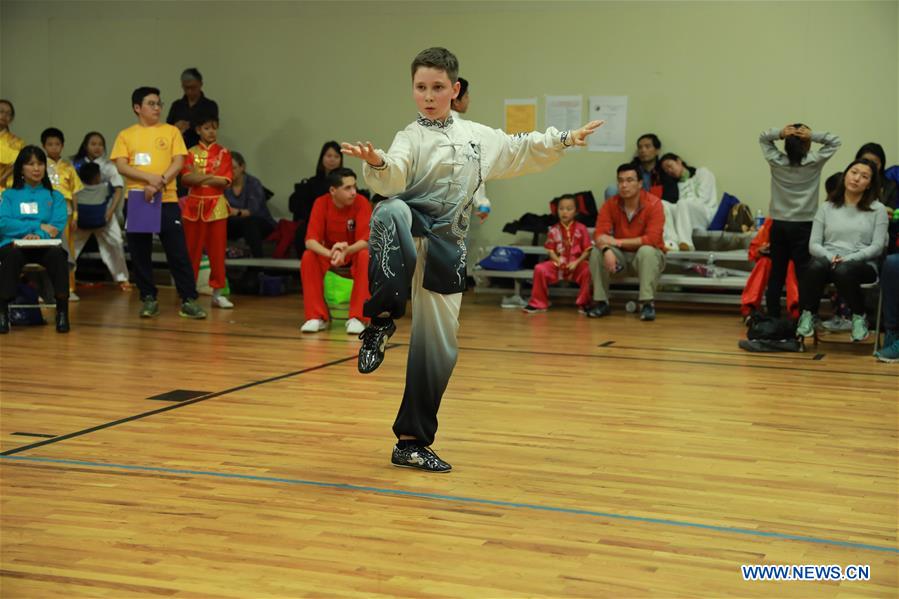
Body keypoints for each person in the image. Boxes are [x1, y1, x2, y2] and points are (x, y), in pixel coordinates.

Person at [341, 47, 602, 472]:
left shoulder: (478, 137)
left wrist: (566, 138)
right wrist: (377, 163)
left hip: (447, 249)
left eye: (437, 87)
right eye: (421, 88)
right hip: (410, 232)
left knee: (439, 349)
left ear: (454, 89)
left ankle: (410, 442)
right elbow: (395, 173)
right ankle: (381, 321)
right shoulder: (410, 135)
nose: (428, 96)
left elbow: (522, 147)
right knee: (389, 211)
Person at [111, 86, 206, 319]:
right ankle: (148, 298)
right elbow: (121, 165)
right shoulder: (126, 135)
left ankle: (188, 299)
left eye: (159, 104)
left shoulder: (171, 131)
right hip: (137, 198)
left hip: (167, 198)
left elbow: (179, 161)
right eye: (151, 103)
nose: (157, 108)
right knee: (140, 252)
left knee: (177, 251)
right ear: (137, 108)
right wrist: (148, 179)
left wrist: (159, 182)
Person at [795, 159, 888, 342]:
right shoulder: (827, 207)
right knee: (814, 266)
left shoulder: (878, 210)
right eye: (854, 172)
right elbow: (813, 245)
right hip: (829, 261)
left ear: (869, 184)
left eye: (864, 176)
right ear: (845, 174)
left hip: (862, 264)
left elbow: (877, 246)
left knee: (844, 270)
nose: (856, 178)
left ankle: (859, 316)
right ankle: (808, 314)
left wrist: (850, 258)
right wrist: (832, 257)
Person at [759, 122, 841, 318]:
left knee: (776, 274)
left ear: (785, 144)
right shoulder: (813, 161)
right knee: (804, 275)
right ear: (807, 144)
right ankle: (806, 318)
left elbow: (763, 137)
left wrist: (779, 132)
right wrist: (813, 135)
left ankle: (772, 318)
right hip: (805, 226)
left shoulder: (776, 160)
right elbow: (835, 141)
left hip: (778, 224)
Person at [0, 146, 70, 333]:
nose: (36, 168)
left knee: (58, 255)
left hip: (44, 245)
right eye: (31, 164)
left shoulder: (55, 196)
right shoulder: (9, 195)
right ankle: (3, 311)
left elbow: (57, 224)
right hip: (14, 244)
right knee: (11, 256)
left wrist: (39, 235)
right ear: (21, 168)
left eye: (40, 164)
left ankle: (62, 310)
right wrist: (35, 227)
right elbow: (3, 223)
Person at [588, 163, 666, 321]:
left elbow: (651, 239)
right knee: (597, 252)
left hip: (647, 258)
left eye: (629, 180)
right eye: (621, 181)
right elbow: (599, 235)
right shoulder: (611, 204)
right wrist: (606, 250)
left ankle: (647, 304)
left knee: (647, 250)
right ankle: (602, 303)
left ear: (640, 183)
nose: (624, 185)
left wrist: (616, 242)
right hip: (620, 259)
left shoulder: (654, 204)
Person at [300, 167, 370, 335]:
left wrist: (347, 250)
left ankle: (358, 317)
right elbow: (310, 241)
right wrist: (331, 253)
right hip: (330, 253)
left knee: (365, 256)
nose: (354, 192)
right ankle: (316, 317)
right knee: (308, 257)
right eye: (347, 188)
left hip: (353, 251)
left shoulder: (361, 202)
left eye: (354, 186)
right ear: (333, 190)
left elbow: (366, 241)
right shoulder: (321, 203)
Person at [180, 111, 234, 309]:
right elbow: (185, 178)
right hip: (194, 206)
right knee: (191, 251)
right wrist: (211, 177)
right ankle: (188, 292)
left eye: (214, 128)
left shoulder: (224, 153)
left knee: (217, 252)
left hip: (217, 207)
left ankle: (218, 293)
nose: (211, 132)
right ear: (198, 130)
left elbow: (225, 181)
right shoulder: (190, 152)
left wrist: (199, 177)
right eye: (206, 128)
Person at [523, 194, 592, 313]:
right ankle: (539, 303)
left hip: (576, 265)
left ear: (576, 211)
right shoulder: (553, 229)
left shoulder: (582, 228)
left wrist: (576, 262)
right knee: (540, 268)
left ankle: (584, 303)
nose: (564, 212)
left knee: (588, 269)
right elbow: (550, 249)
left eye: (569, 209)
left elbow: (587, 250)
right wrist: (557, 260)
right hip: (558, 264)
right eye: (561, 209)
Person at [71, 162, 131, 288]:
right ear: (97, 176)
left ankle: (65, 279)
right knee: (116, 243)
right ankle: (122, 279)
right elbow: (117, 191)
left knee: (72, 250)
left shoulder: (77, 189)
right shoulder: (104, 187)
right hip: (96, 221)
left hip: (95, 222)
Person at [41, 127, 83, 300]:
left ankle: (69, 288)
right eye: (50, 144)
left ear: (62, 146)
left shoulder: (68, 167)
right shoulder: (40, 166)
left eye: (57, 144)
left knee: (67, 249)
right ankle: (45, 289)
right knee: (46, 248)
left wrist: (75, 215)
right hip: (45, 212)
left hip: (65, 212)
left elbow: (74, 192)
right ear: (44, 146)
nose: (54, 148)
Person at [290, 141, 343, 256]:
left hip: (340, 220)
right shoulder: (312, 183)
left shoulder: (345, 182)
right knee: (302, 230)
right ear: (322, 158)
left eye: (336, 156)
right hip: (316, 222)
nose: (332, 159)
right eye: (329, 156)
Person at [741, 217, 799, 321]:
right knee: (763, 263)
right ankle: (750, 308)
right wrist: (761, 250)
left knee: (791, 265)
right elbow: (754, 249)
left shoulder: (803, 219)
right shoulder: (771, 220)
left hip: (794, 261)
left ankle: (796, 310)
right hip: (773, 260)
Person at [659, 153, 719, 251]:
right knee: (662, 203)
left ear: (679, 161)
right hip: (685, 214)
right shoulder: (676, 185)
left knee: (682, 203)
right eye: (666, 171)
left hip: (705, 213)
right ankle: (671, 242)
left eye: (670, 166)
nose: (669, 171)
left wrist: (684, 204)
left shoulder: (702, 173)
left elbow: (704, 199)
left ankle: (686, 244)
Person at [224, 151, 276, 258]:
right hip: (236, 222)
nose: (230, 171)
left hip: (259, 222)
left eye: (233, 168)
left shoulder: (253, 183)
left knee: (250, 223)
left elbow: (253, 211)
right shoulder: (223, 185)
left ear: (242, 167)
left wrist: (234, 212)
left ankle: (257, 264)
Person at [72, 131, 127, 229]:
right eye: (93, 144)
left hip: (103, 211)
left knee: (114, 242)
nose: (97, 147)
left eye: (100, 145)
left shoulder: (109, 166)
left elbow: (118, 189)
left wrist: (110, 211)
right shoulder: (75, 165)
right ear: (85, 146)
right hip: (80, 210)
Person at [603, 133, 678, 203]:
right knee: (611, 190)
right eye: (640, 147)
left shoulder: (663, 170)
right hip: (634, 206)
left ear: (657, 151)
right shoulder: (632, 169)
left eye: (647, 146)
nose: (643, 150)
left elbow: (671, 195)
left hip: (656, 207)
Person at [166, 68, 219, 149]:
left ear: (201, 84)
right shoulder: (176, 105)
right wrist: (175, 127)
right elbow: (167, 128)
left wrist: (189, 125)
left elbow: (213, 126)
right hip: (179, 149)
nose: (190, 91)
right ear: (182, 86)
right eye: (187, 88)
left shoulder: (210, 105)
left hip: (202, 149)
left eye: (193, 87)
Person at [0, 99, 24, 194]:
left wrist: (3, 178)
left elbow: (19, 164)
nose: (4, 115)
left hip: (9, 188)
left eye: (8, 113)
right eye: (1, 111)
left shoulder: (18, 142)